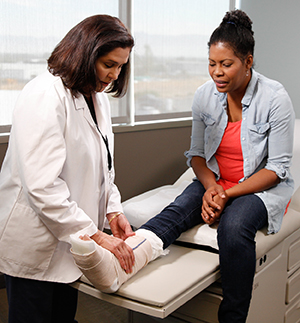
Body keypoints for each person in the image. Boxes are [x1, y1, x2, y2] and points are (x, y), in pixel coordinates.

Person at [69, 9, 295, 323]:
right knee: (176, 211)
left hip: (257, 187)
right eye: (212, 64)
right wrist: (213, 187)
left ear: (248, 62)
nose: (217, 72)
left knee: (233, 229)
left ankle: (233, 317)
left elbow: (277, 169)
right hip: (214, 182)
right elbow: (197, 155)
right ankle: (125, 262)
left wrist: (227, 196)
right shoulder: (205, 95)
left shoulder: (275, 98)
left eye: (226, 64)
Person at [0, 14, 143, 323]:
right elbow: (42, 186)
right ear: (84, 53)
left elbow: (104, 168)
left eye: (121, 66)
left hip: (72, 240)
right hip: (35, 243)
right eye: (109, 64)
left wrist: (113, 212)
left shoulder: (96, 98)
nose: (115, 76)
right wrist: (96, 235)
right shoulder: (44, 95)